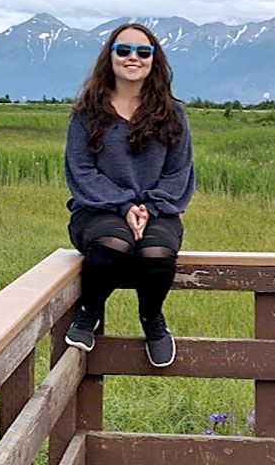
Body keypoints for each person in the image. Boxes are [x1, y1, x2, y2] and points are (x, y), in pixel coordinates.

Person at [63, 22, 195, 368]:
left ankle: (152, 319)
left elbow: (178, 172)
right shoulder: (86, 113)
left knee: (156, 252)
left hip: (158, 211)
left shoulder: (173, 114)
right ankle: (88, 312)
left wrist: (148, 207)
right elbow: (82, 171)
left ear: (154, 60)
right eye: (123, 50)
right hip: (96, 208)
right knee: (113, 244)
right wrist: (123, 205)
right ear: (110, 57)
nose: (132, 58)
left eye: (142, 51)